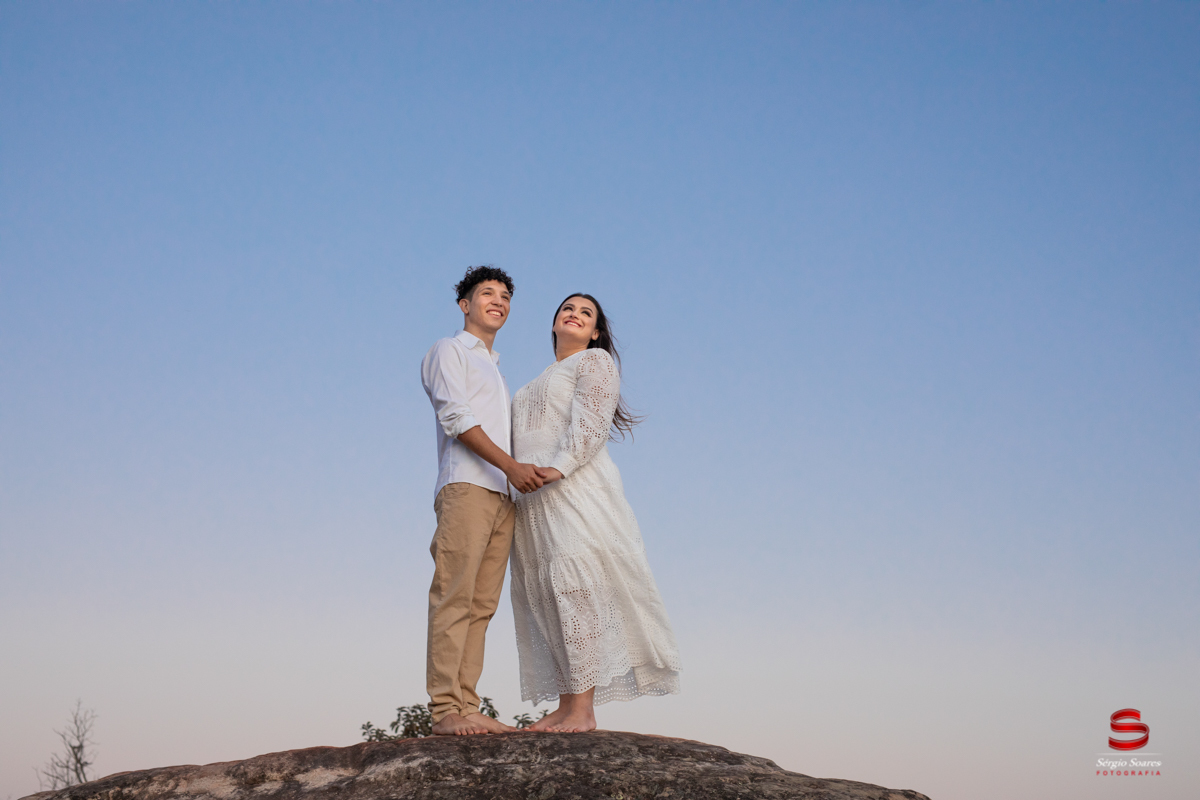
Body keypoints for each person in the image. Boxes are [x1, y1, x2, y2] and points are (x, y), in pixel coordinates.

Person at [509, 293, 681, 732]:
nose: (574, 314)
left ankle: (583, 710)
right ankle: (566, 704)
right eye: (567, 309)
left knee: (577, 587)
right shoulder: (531, 383)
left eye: (586, 313)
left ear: (596, 332)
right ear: (553, 324)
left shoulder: (594, 361)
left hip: (572, 487)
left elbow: (592, 422)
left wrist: (559, 467)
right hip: (532, 500)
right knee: (550, 594)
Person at [419, 265, 553, 736]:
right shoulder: (449, 350)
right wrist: (512, 467)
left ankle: (468, 703)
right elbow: (456, 418)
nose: (498, 301)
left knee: (481, 606)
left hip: (503, 498)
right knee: (453, 596)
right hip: (467, 488)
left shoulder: (496, 369)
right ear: (465, 305)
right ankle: (444, 710)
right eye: (487, 293)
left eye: (505, 296)